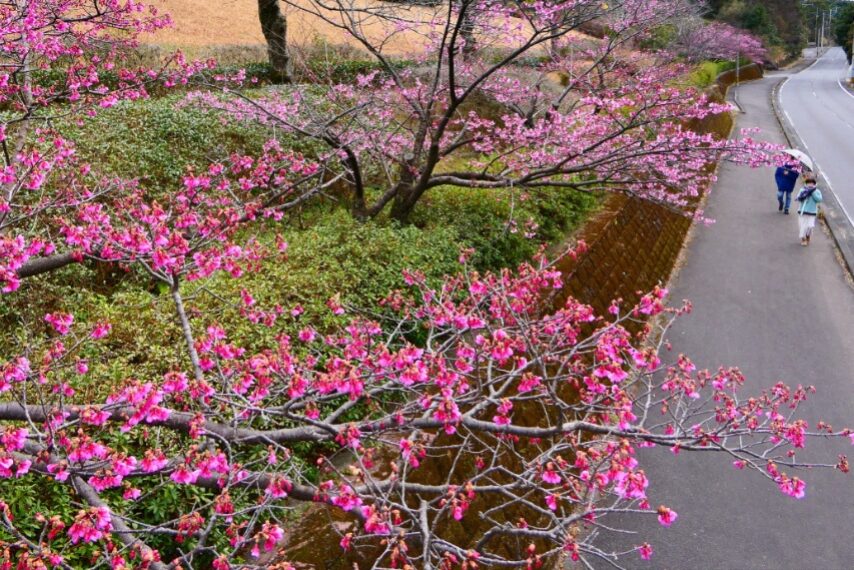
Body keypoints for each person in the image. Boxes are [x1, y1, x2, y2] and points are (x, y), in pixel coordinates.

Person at [795, 176, 822, 246]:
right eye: (808, 183)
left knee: (810, 226)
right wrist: (804, 195)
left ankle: (808, 237)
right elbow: (798, 198)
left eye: (811, 183)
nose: (810, 184)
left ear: (814, 184)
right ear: (806, 184)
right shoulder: (802, 190)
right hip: (802, 211)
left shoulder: (817, 191)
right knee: (802, 226)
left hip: (812, 212)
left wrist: (812, 193)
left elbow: (819, 200)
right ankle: (803, 239)